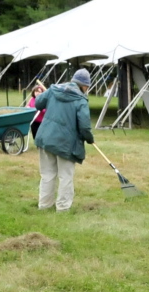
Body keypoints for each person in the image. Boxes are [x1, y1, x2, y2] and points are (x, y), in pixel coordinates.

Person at [34, 70, 94, 211]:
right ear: (84, 86)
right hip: (66, 144)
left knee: (47, 175)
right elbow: (85, 126)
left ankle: (44, 205)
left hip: (46, 138)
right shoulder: (81, 100)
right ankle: (62, 208)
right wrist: (90, 139)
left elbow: (37, 103)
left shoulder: (54, 90)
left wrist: (48, 94)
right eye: (87, 86)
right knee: (65, 176)